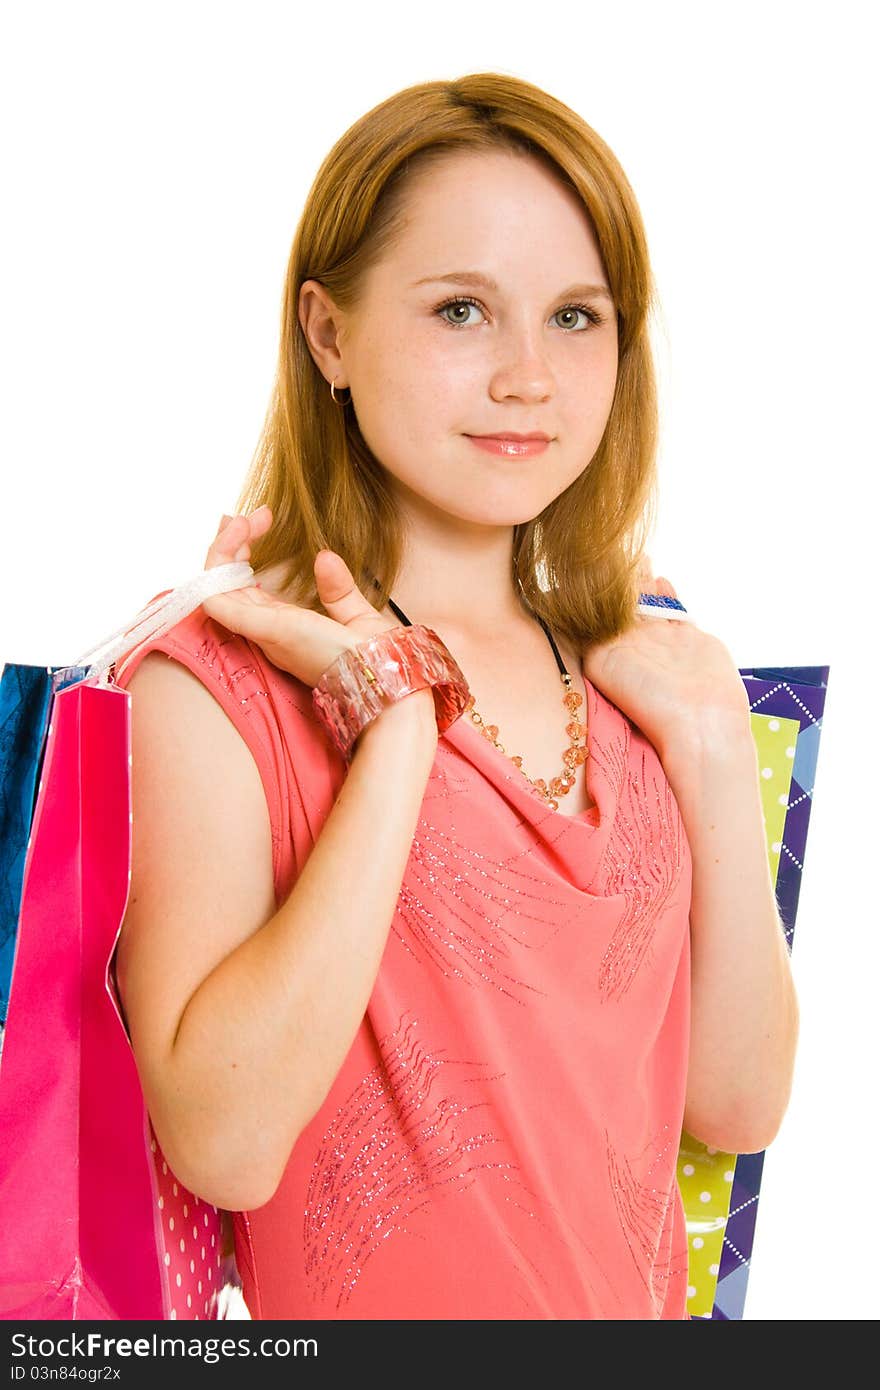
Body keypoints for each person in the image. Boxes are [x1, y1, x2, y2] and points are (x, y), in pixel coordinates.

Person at [110, 71, 799, 1321]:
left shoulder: (644, 673)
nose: (530, 377)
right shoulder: (211, 687)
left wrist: (706, 740)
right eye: (463, 310)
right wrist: (393, 731)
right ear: (328, 332)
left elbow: (737, 1104)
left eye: (577, 317)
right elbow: (224, 1142)